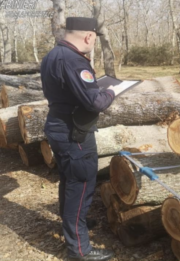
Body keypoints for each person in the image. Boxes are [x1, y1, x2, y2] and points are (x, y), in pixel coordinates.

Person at [41, 17, 122, 261]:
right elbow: (95, 102)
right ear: (88, 36)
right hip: (73, 132)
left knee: (69, 179)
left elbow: (73, 90)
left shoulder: (53, 54)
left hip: (59, 125)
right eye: (94, 40)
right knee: (82, 183)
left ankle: (74, 224)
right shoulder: (75, 61)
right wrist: (111, 91)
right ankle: (79, 250)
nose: (93, 44)